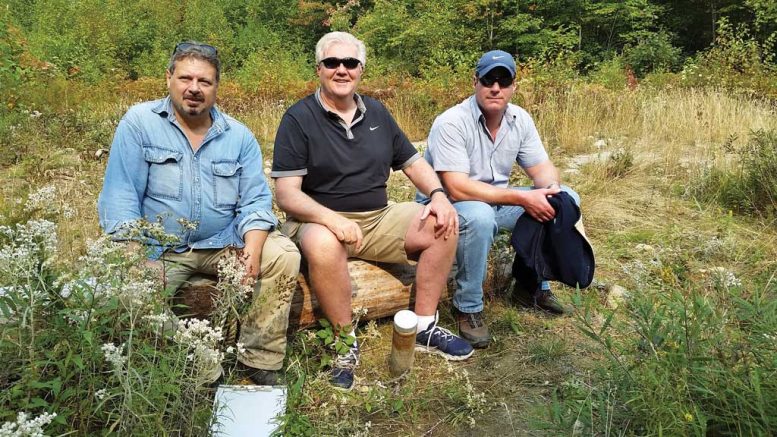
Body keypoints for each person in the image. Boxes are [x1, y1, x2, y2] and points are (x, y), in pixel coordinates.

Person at [271, 31, 473, 390]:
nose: (341, 70)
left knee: (444, 223)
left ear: (361, 69)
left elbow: (412, 163)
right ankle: (344, 344)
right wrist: (332, 219)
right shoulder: (298, 118)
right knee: (322, 243)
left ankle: (424, 325)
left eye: (350, 63)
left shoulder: (377, 111)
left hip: (378, 217)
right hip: (319, 219)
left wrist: (440, 195)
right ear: (319, 69)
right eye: (332, 63)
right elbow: (287, 194)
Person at [97, 41, 300, 385]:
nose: (194, 89)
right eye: (186, 78)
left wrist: (252, 247)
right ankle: (204, 370)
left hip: (224, 243)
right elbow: (121, 196)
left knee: (283, 253)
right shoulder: (139, 124)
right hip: (159, 249)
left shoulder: (239, 136)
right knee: (124, 290)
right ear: (169, 78)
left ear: (216, 86)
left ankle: (260, 358)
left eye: (204, 81)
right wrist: (136, 256)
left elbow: (255, 201)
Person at [419, 50, 582, 349]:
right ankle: (468, 308)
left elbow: (542, 168)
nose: (496, 87)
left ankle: (530, 285)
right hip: (446, 206)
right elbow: (456, 188)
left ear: (513, 86)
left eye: (504, 80)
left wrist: (550, 190)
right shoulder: (452, 122)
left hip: (495, 201)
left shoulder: (520, 119)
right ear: (475, 82)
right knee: (480, 216)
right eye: (488, 79)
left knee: (565, 197)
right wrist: (523, 200)